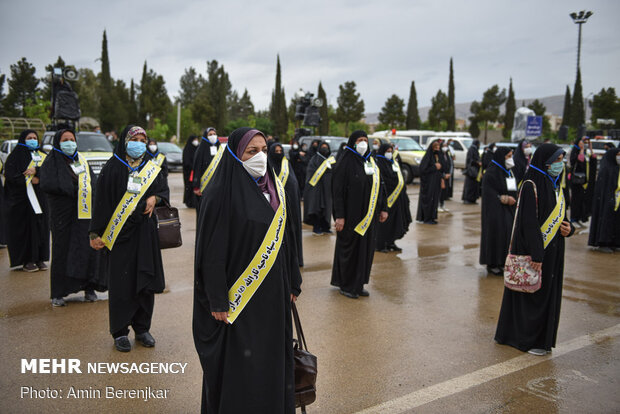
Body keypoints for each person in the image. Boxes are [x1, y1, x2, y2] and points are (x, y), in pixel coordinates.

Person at [193, 127, 301, 413]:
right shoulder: (219, 192)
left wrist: (293, 283)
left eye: (263, 150)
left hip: (274, 295)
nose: (261, 157)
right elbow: (211, 253)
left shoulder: (275, 187)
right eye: (252, 152)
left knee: (270, 361)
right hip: (240, 299)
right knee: (244, 367)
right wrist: (217, 299)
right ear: (235, 154)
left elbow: (286, 238)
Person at [89, 126, 169, 352]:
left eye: (143, 139)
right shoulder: (113, 167)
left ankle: (142, 328)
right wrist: (95, 232)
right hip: (121, 237)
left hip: (146, 234)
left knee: (145, 281)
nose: (140, 143)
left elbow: (163, 191)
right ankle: (120, 332)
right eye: (135, 138)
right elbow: (101, 202)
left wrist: (156, 197)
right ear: (124, 140)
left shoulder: (152, 167)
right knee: (122, 284)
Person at [495, 143, 575, 356]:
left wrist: (570, 228)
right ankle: (525, 339)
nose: (560, 164)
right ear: (545, 161)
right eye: (557, 160)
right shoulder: (531, 184)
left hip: (554, 250)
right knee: (531, 294)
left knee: (547, 293)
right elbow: (528, 223)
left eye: (561, 160)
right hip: (536, 251)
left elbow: (562, 215)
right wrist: (537, 254)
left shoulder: (555, 184)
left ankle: (542, 339)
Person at [40, 129, 106, 306]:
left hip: (83, 216)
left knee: (85, 250)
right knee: (63, 251)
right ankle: (58, 293)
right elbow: (48, 184)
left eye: (72, 139)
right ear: (58, 143)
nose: (69, 143)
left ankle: (88, 287)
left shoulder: (81, 161)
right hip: (63, 216)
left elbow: (93, 182)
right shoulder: (51, 162)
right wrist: (71, 189)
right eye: (65, 140)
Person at [331, 130, 388, 298]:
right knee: (350, 250)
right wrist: (339, 216)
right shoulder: (345, 162)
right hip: (350, 218)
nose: (363, 143)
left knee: (366, 250)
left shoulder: (371, 161)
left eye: (365, 140)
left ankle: (359, 283)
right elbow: (337, 192)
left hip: (369, 217)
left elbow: (380, 186)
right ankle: (346, 285)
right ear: (352, 142)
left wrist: (384, 208)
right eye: (359, 140)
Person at [4, 129, 50, 272]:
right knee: (27, 229)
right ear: (23, 139)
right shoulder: (15, 157)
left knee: (41, 227)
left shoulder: (43, 156)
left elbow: (51, 172)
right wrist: (28, 180)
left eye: (35, 138)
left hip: (41, 200)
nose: (32, 140)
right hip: (23, 201)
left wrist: (38, 173)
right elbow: (11, 176)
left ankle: (40, 258)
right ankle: (27, 260)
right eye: (29, 138)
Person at [479, 147, 517, 275]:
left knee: (505, 235)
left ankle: (502, 262)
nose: (510, 159)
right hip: (494, 211)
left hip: (507, 210)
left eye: (511, 155)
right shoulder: (492, 172)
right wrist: (504, 198)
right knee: (495, 235)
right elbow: (488, 193)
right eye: (508, 156)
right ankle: (492, 263)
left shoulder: (508, 171)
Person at [269, 142, 304, 266]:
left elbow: (293, 185)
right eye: (276, 151)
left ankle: (295, 260)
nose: (278, 154)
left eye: (280, 151)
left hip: (291, 208)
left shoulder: (286, 164)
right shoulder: (268, 166)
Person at [376, 143, 411, 252]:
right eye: (387, 151)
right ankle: (380, 244)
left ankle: (391, 242)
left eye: (391, 151)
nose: (389, 153)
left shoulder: (393, 163)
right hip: (386, 200)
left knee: (395, 222)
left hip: (397, 200)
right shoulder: (379, 164)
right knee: (384, 223)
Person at [588, 147, 620, 252]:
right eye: (618, 155)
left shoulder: (616, 168)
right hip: (606, 201)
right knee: (605, 220)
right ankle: (603, 242)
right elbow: (603, 189)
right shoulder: (606, 169)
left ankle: (614, 242)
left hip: (616, 200)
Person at [304, 141, 334, 235]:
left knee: (327, 208)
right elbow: (310, 172)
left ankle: (325, 226)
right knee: (316, 208)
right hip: (316, 189)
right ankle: (316, 227)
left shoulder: (331, 160)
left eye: (326, 147)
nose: (325, 149)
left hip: (327, 189)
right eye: (323, 147)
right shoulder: (314, 159)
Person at [569, 136, 597, 227]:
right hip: (577, 181)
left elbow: (593, 157)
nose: (584, 144)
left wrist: (590, 147)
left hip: (585, 182)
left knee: (582, 201)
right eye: (582, 142)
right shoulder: (575, 152)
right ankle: (573, 219)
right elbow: (579, 161)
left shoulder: (585, 152)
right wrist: (581, 149)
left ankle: (580, 218)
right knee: (576, 200)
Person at [192, 127, 221, 216]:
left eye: (214, 134)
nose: (213, 136)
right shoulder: (201, 149)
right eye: (210, 135)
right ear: (206, 136)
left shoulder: (220, 148)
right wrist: (196, 186)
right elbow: (197, 168)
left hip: (218, 186)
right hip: (204, 187)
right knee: (204, 213)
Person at [416, 139, 444, 224]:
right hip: (428, 184)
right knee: (428, 200)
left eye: (438, 147)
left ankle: (432, 217)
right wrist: (434, 167)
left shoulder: (439, 156)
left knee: (434, 200)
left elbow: (442, 167)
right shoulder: (428, 157)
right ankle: (426, 218)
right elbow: (423, 169)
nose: (437, 148)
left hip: (436, 182)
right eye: (435, 147)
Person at [182, 134, 200, 208]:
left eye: (197, 139)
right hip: (189, 172)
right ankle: (189, 201)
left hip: (196, 171)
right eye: (194, 140)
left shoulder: (198, 148)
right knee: (189, 187)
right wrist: (192, 166)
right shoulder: (187, 149)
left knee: (195, 186)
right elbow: (186, 161)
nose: (196, 141)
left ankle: (194, 201)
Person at [462, 139, 482, 204]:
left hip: (475, 171)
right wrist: (477, 163)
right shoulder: (471, 150)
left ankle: (473, 199)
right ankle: (467, 199)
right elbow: (470, 160)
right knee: (469, 186)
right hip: (471, 172)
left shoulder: (475, 150)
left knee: (474, 186)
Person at [439, 140, 455, 212]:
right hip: (441, 176)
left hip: (447, 176)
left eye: (446, 146)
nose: (445, 148)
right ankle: (438, 205)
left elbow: (450, 164)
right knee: (440, 191)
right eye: (443, 146)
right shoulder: (439, 155)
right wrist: (443, 175)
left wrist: (449, 174)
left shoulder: (447, 155)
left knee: (445, 191)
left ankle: (443, 205)